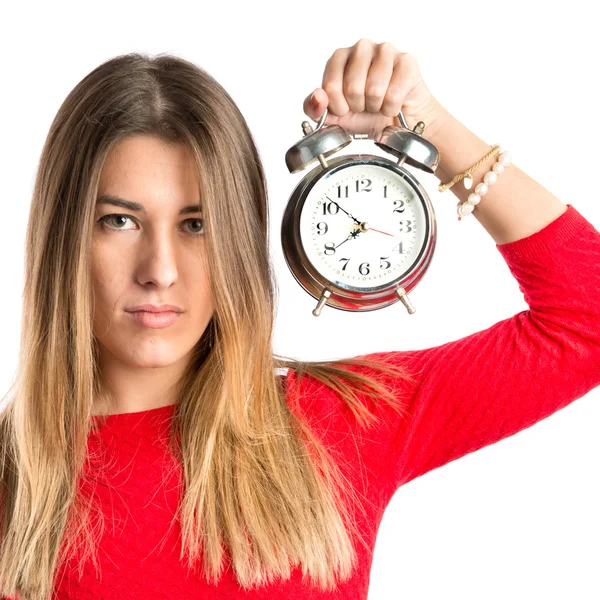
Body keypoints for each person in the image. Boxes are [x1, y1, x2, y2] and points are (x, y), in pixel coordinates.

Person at [0, 38, 598, 600]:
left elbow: (586, 319)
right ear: (64, 238)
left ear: (238, 242)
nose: (160, 270)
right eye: (120, 221)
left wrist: (428, 130)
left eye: (197, 225)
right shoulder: (11, 484)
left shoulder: (337, 425)